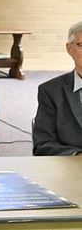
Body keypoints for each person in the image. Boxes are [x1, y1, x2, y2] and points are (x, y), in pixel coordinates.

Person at [33, 21, 82, 156]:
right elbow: (42, 144)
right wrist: (76, 156)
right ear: (69, 49)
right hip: (70, 169)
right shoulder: (50, 91)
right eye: (81, 45)